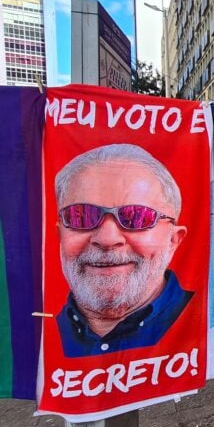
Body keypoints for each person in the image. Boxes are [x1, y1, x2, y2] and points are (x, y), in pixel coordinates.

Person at [54, 144, 192, 358]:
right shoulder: (31, 341)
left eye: (136, 217)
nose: (107, 239)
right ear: (60, 236)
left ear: (173, 240)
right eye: (81, 216)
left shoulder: (210, 327)